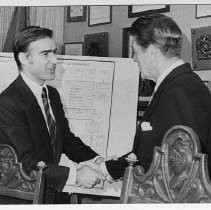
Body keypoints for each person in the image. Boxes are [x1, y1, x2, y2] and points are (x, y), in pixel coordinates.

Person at [83, 14, 211, 182]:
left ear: (151, 52)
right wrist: (106, 167)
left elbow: (175, 163)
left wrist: (102, 170)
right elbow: (157, 148)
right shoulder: (179, 83)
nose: (134, 59)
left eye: (135, 52)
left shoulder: (179, 90)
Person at [0, 26, 106, 203]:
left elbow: (66, 139)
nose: (55, 60)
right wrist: (76, 175)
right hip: (25, 197)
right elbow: (25, 163)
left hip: (52, 192)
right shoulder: (7, 102)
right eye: (46, 54)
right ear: (24, 58)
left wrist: (98, 161)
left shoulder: (52, 93)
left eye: (54, 53)